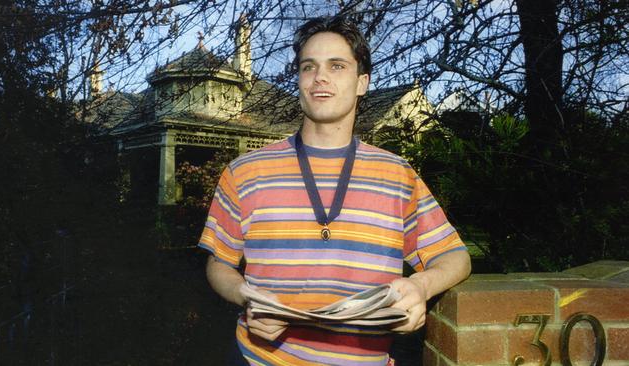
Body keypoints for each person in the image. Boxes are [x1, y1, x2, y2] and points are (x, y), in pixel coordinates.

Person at [199, 15, 471, 366]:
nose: (320, 78)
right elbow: (218, 264)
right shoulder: (244, 172)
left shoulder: (398, 175)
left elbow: (456, 257)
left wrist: (420, 287)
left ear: (362, 82)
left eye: (337, 66)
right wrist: (246, 296)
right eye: (308, 67)